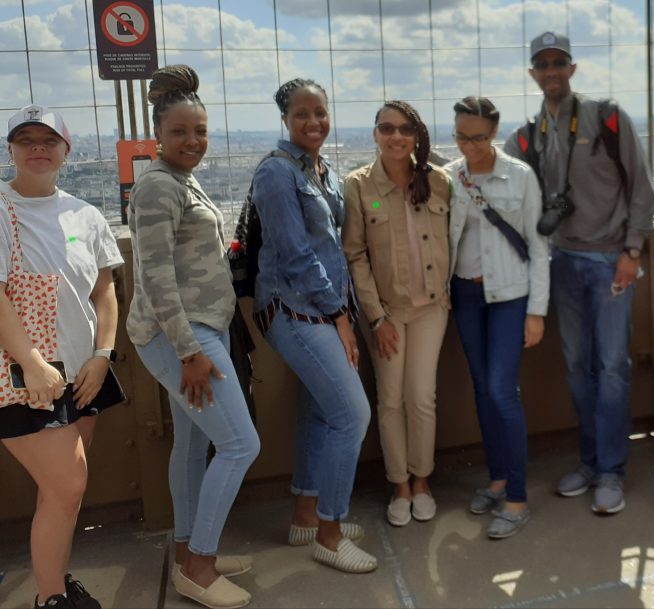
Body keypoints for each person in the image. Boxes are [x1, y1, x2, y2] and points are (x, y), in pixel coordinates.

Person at [503, 32, 654, 515]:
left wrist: (633, 251)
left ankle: (611, 470)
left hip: (611, 260)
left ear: (572, 68)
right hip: (561, 262)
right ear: (532, 73)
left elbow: (642, 189)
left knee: (612, 368)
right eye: (542, 64)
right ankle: (589, 462)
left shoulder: (607, 118)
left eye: (559, 62)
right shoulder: (529, 135)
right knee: (578, 368)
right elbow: (489, 167)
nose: (551, 71)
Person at [128, 65, 260, 608]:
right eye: (181, 132)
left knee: (193, 445)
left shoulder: (181, 178)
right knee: (239, 444)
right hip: (181, 335)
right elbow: (155, 275)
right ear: (158, 134)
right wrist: (189, 352)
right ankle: (199, 568)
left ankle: (188, 551)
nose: (193, 141)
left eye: (200, 131)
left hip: (199, 327)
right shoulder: (158, 185)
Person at [251, 78, 376, 573]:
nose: (314, 122)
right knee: (352, 414)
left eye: (320, 112)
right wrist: (343, 319)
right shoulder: (277, 173)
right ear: (285, 118)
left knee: (321, 410)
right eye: (302, 114)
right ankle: (330, 532)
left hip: (318, 307)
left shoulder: (319, 168)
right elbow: (296, 254)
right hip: (294, 308)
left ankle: (305, 515)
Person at [0, 105, 122, 609]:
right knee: (68, 485)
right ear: (10, 150)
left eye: (48, 140)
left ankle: (56, 581)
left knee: (63, 495)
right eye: (25, 139)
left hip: (81, 374)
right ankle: (50, 598)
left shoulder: (84, 213)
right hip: (26, 377)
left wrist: (103, 354)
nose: (37, 148)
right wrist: (29, 361)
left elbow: (105, 290)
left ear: (66, 152)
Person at [444, 96, 548, 538]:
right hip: (466, 293)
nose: (470, 146)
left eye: (479, 137)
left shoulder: (520, 176)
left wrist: (537, 312)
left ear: (495, 132)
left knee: (503, 391)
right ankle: (497, 478)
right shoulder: (449, 177)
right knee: (484, 391)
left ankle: (518, 497)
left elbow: (539, 246)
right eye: (462, 136)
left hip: (509, 296)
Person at [343, 100, 451, 527]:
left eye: (405, 129)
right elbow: (355, 254)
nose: (396, 136)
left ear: (417, 135)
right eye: (386, 128)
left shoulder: (439, 182)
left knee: (422, 397)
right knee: (390, 399)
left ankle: (422, 480)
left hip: (431, 309)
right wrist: (376, 318)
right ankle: (399, 485)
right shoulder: (359, 186)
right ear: (375, 134)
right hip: (386, 313)